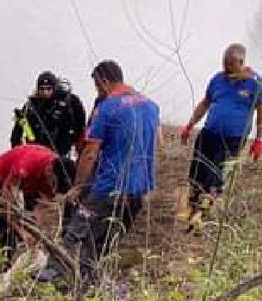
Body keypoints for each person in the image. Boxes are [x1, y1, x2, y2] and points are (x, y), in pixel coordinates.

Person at [36, 60, 160, 287]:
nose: (98, 92)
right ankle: (87, 283)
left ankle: (55, 274)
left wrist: (78, 187)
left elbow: (90, 153)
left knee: (77, 230)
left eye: (96, 86)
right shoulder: (151, 106)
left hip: (109, 187)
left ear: (103, 82)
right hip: (138, 190)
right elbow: (156, 141)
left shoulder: (107, 108)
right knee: (105, 239)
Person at [0, 144, 74, 294]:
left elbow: (41, 208)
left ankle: (2, 279)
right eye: (53, 184)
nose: (53, 189)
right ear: (49, 171)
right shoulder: (26, 165)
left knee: (15, 238)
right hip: (1, 178)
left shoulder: (56, 178)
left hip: (30, 185)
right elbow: (5, 203)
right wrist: (21, 231)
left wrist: (36, 232)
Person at [178, 43, 262, 223]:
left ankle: (203, 212)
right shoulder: (217, 79)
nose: (226, 67)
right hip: (209, 133)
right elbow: (205, 103)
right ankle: (190, 206)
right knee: (197, 171)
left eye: (230, 64)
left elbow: (261, 114)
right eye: (224, 63)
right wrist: (190, 125)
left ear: (241, 62)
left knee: (217, 174)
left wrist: (258, 140)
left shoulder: (254, 84)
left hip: (233, 139)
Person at [11, 71, 87, 157]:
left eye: (48, 89)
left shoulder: (67, 103)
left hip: (60, 153)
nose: (45, 92)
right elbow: (17, 135)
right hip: (36, 152)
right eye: (42, 89)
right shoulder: (30, 107)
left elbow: (81, 124)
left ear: (54, 88)